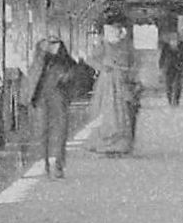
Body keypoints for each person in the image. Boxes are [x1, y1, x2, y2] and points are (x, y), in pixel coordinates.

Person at [22, 36, 78, 179]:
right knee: (41, 132)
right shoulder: (39, 61)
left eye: (53, 44)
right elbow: (31, 80)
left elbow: (72, 80)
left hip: (57, 99)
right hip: (41, 100)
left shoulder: (66, 64)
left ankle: (56, 165)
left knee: (58, 132)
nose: (49, 48)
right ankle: (44, 164)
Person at [87, 22, 141, 156]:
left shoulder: (126, 45)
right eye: (112, 29)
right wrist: (103, 68)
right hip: (107, 83)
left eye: (117, 29)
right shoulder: (103, 45)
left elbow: (135, 62)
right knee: (107, 111)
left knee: (122, 112)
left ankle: (120, 144)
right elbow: (91, 59)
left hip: (122, 82)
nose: (115, 32)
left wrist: (130, 73)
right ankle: (105, 142)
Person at [158, 32, 183, 107]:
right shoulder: (166, 46)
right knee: (169, 84)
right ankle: (170, 100)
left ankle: (176, 100)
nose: (174, 40)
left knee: (178, 84)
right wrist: (161, 65)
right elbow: (163, 56)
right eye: (172, 38)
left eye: (175, 38)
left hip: (178, 67)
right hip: (169, 67)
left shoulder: (181, 46)